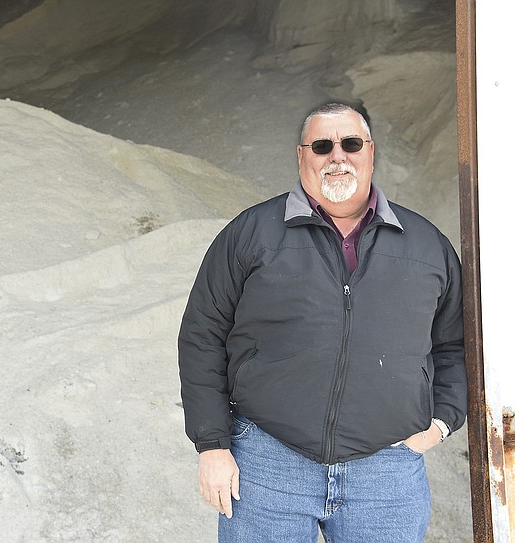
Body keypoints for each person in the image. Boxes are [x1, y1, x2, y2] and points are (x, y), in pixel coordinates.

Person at [177, 103, 467, 543]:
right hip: (267, 463)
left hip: (385, 472)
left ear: (371, 153)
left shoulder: (427, 245)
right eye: (321, 146)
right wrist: (213, 444)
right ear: (301, 156)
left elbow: (456, 346)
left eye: (351, 144)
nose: (337, 156)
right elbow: (202, 336)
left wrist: (442, 422)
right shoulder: (252, 233)